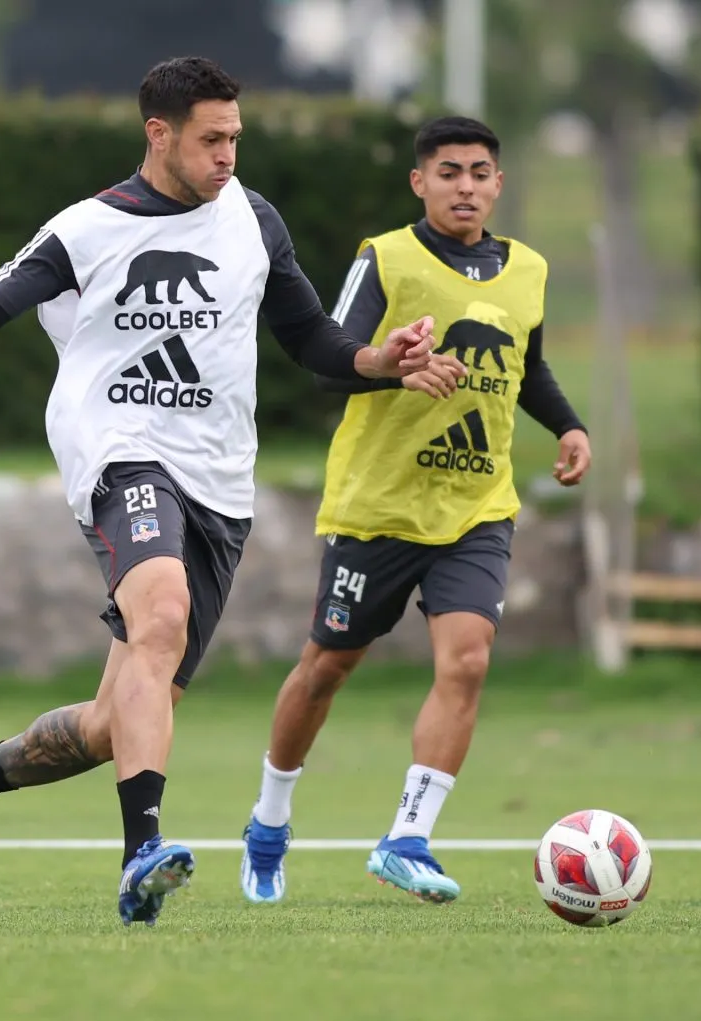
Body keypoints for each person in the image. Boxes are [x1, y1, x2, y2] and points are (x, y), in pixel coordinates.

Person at [0, 57, 459, 927]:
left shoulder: (254, 220)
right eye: (211, 140)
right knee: (160, 616)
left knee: (113, 724)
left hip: (220, 484)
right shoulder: (88, 230)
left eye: (236, 140)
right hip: (120, 454)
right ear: (159, 134)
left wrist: (380, 363)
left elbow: (316, 345)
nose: (227, 158)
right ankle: (144, 855)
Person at [240, 115, 592, 906]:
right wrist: (395, 370)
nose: (464, 186)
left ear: (498, 184)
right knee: (326, 669)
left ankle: (407, 837)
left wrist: (568, 425)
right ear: (419, 183)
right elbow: (334, 364)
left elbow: (527, 367)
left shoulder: (527, 269)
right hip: (380, 508)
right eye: (448, 172)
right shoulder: (386, 257)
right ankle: (268, 822)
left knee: (467, 660)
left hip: (476, 508)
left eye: (478, 173)